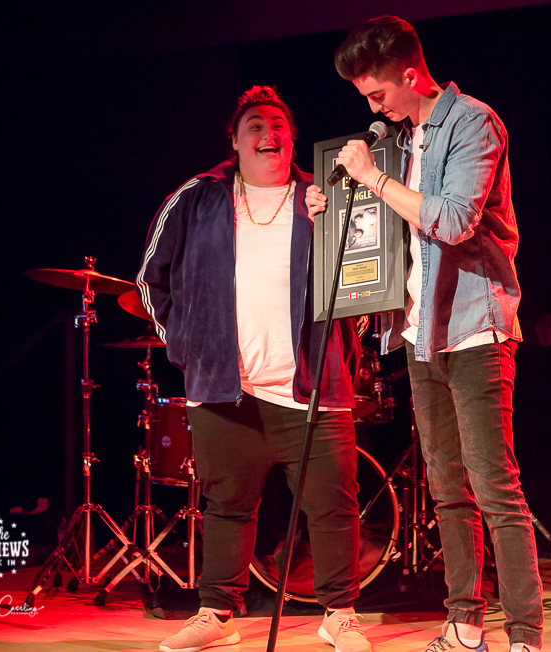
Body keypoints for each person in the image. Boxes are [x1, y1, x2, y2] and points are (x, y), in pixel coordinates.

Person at [318, 15, 544, 652]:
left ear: (410, 75)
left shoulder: (474, 122)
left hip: (476, 329)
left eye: (376, 94)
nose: (373, 108)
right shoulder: (407, 140)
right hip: (423, 333)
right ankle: (464, 625)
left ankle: (524, 636)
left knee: (494, 484)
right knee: (446, 487)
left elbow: (451, 220)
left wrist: (374, 181)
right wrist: (333, 209)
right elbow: (392, 234)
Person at [137, 85, 372, 652]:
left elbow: (365, 281)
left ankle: (339, 614)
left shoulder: (325, 195)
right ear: (235, 141)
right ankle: (218, 614)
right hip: (223, 387)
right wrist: (187, 347)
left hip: (310, 384)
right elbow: (151, 279)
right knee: (225, 504)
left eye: (279, 126)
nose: (269, 134)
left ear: (292, 139)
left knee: (333, 504)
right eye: (256, 126)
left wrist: (338, 346)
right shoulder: (197, 197)